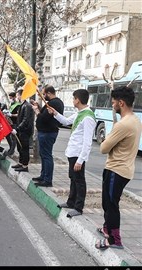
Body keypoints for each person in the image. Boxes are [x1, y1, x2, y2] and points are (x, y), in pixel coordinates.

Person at [95, 86, 142, 250]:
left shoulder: (123, 125)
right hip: (125, 169)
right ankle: (107, 229)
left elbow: (103, 148)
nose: (112, 104)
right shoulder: (135, 120)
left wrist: (109, 136)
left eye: (113, 102)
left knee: (110, 205)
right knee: (108, 202)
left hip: (116, 170)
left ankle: (114, 240)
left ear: (121, 103)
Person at [48, 89, 96, 218]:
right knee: (73, 178)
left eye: (73, 98)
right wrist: (55, 113)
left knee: (79, 180)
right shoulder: (79, 113)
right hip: (72, 152)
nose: (73, 101)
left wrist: (81, 160)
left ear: (78, 100)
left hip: (78, 155)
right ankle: (71, 202)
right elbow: (66, 121)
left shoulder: (87, 117)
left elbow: (87, 142)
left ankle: (79, 207)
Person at [31, 85, 64, 187]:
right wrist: (40, 108)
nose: (43, 96)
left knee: (46, 155)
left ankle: (47, 179)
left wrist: (36, 110)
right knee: (43, 155)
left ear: (49, 93)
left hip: (48, 133)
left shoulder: (54, 103)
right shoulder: (53, 103)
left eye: (44, 94)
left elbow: (43, 118)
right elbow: (45, 114)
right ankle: (43, 176)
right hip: (46, 132)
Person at [10, 89, 34, 172]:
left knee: (24, 148)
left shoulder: (27, 106)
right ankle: (20, 163)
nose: (16, 97)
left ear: (21, 95)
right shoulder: (22, 105)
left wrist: (17, 128)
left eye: (17, 95)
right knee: (20, 148)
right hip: (21, 131)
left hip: (25, 131)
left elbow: (25, 120)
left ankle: (25, 166)